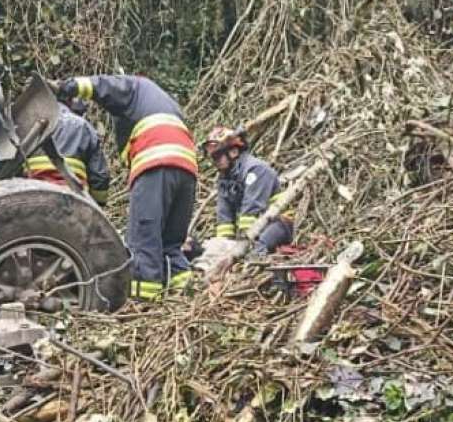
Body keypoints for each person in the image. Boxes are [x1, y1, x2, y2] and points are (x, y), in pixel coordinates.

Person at [56, 74, 197, 301]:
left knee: (144, 240)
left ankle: (143, 305)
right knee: (171, 245)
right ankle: (188, 299)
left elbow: (107, 87)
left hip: (155, 160)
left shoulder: (135, 86)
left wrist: (71, 85)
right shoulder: (165, 103)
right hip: (187, 168)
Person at [203, 127, 292, 256]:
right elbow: (224, 216)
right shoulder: (225, 179)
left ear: (233, 152)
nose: (215, 162)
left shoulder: (256, 170)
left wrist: (243, 241)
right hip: (253, 228)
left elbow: (252, 208)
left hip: (277, 223)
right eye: (213, 158)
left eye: (218, 156)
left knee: (256, 249)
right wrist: (223, 243)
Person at [24, 99, 111, 206]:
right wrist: (97, 205)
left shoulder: (26, 124)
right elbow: (99, 176)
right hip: (73, 202)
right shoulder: (83, 126)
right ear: (70, 100)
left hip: (31, 200)